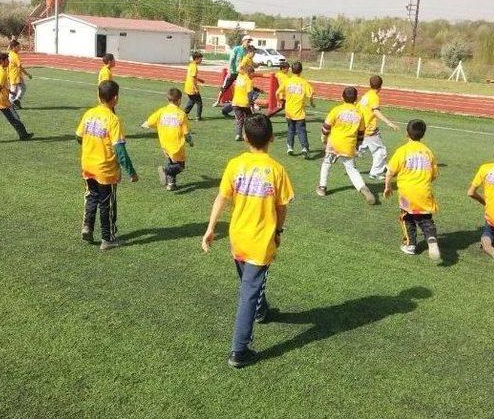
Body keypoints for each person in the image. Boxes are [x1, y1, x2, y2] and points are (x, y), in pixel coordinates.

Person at [202, 113, 294, 368]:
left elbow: (221, 197)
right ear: (272, 138)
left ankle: (263, 311)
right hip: (260, 240)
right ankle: (239, 351)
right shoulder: (276, 169)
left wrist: (210, 228)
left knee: (248, 282)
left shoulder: (235, 164)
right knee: (248, 293)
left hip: (238, 236)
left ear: (244, 137)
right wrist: (278, 231)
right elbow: (282, 206)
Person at [76, 80, 139, 250]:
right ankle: (107, 238)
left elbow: (79, 137)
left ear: (98, 96)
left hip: (88, 165)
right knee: (107, 203)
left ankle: (87, 227)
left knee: (91, 196)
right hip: (105, 169)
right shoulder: (113, 120)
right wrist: (131, 172)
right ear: (116, 98)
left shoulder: (89, 114)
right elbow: (120, 150)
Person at [383, 119, 440, 261]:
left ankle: (410, 244)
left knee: (406, 217)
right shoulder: (428, 152)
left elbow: (390, 171)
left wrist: (387, 186)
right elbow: (434, 175)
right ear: (423, 134)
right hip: (424, 191)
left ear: (407, 133)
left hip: (407, 192)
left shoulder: (402, 151)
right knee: (425, 218)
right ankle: (431, 238)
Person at [316, 87, 375, 204]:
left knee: (326, 163)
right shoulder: (359, 113)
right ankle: (363, 188)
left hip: (334, 143)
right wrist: (358, 145)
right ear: (356, 99)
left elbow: (326, 126)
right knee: (351, 169)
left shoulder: (336, 110)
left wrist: (324, 136)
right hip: (348, 145)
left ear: (342, 97)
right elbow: (361, 132)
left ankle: (322, 188)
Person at [141, 88, 193, 191]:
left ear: (167, 99)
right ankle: (165, 171)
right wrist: (190, 142)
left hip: (165, 145)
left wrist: (145, 124)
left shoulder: (161, 111)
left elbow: (149, 122)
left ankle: (171, 184)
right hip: (176, 146)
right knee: (180, 166)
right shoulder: (181, 114)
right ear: (179, 100)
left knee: (171, 163)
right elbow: (186, 133)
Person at [357, 75, 399, 180]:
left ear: (370, 85)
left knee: (362, 148)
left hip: (362, 128)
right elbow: (376, 111)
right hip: (369, 129)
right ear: (381, 86)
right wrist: (389, 123)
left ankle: (340, 152)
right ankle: (375, 173)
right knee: (381, 151)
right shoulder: (374, 97)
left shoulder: (366, 95)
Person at [275, 61, 314, 158]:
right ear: (301, 71)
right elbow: (311, 94)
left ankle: (290, 147)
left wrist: (279, 101)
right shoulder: (304, 82)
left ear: (291, 70)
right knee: (301, 131)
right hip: (299, 112)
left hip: (289, 111)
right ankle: (304, 148)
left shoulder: (287, 81)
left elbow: (277, 93)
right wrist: (312, 103)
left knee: (290, 129)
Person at [213, 35, 253, 106]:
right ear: (243, 41)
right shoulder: (236, 49)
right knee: (225, 86)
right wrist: (229, 71)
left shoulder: (248, 51)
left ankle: (246, 102)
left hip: (242, 73)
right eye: (248, 41)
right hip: (233, 72)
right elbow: (231, 60)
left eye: (250, 41)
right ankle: (218, 101)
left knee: (244, 87)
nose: (249, 43)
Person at [232, 65, 255, 141]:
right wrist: (251, 102)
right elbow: (249, 93)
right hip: (244, 103)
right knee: (249, 119)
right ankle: (250, 135)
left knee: (240, 119)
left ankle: (238, 134)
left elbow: (239, 68)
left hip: (235, 102)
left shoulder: (239, 77)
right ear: (249, 73)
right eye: (253, 73)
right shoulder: (249, 81)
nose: (253, 75)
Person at [7, 39, 33, 109]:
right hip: (16, 75)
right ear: (14, 47)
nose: (20, 48)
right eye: (18, 47)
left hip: (12, 75)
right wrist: (28, 74)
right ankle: (15, 101)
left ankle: (12, 103)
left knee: (14, 89)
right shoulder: (15, 56)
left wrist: (8, 74)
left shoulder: (9, 54)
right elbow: (20, 67)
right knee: (21, 88)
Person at [183, 52, 205, 121]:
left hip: (188, 86)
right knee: (199, 102)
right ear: (196, 59)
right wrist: (195, 89)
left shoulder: (191, 65)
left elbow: (193, 76)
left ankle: (184, 115)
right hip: (191, 87)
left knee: (191, 101)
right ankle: (198, 117)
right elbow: (192, 79)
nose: (201, 60)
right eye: (201, 59)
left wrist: (199, 80)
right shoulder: (194, 66)